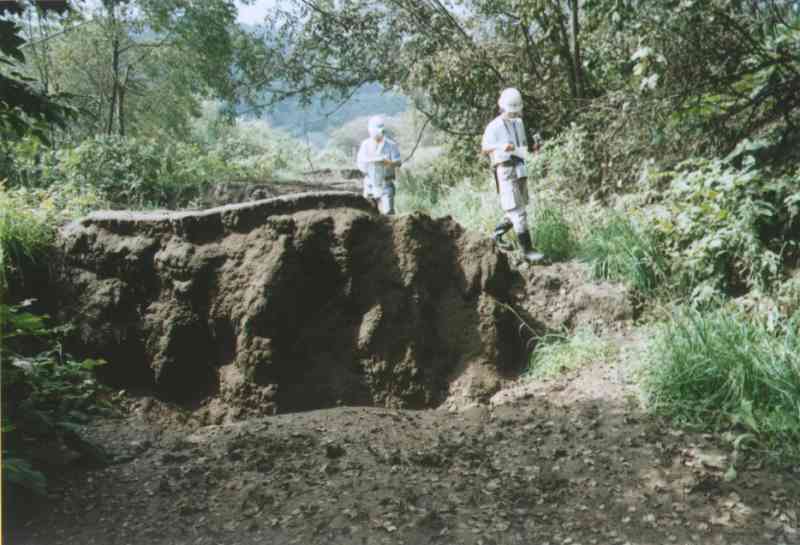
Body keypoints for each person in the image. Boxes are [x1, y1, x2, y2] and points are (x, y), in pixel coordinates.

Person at [481, 87, 544, 263]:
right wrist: (501, 147)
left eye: (516, 111)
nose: (514, 114)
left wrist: (534, 148)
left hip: (520, 166)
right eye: (511, 111)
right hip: (505, 168)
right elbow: (485, 148)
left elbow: (523, 147)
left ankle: (496, 236)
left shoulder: (519, 123)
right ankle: (528, 251)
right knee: (518, 211)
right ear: (502, 107)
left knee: (516, 208)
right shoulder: (494, 126)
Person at [357, 115, 402, 215]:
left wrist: (388, 163)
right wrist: (370, 163)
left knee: (388, 212)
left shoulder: (391, 145)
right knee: (368, 213)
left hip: (386, 183)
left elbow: (399, 162)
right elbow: (360, 163)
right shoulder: (365, 145)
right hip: (370, 183)